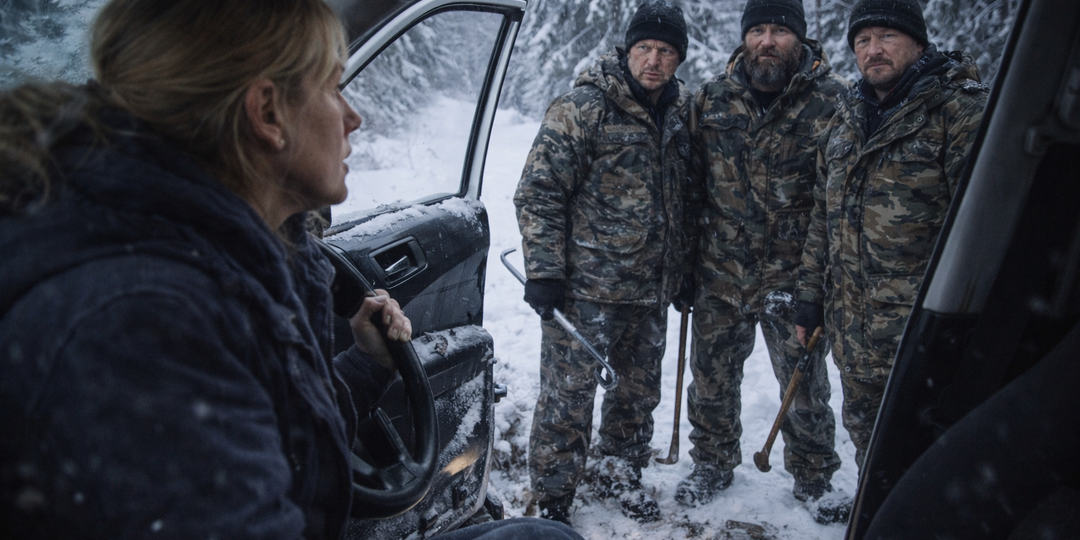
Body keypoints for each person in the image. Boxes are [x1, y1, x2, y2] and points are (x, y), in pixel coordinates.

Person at [0, 2, 583, 540]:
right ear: (268, 112)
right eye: (333, 88)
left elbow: (272, 430)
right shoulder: (141, 322)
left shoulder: (223, 258)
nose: (354, 116)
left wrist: (366, 367)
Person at [513, 0, 699, 525]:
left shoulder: (682, 114)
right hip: (586, 292)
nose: (654, 61)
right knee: (566, 402)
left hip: (649, 293)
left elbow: (682, 199)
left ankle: (620, 472)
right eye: (645, 48)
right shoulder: (584, 107)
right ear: (628, 49)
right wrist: (545, 271)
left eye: (666, 51)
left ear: (679, 58)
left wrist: (681, 272)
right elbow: (539, 191)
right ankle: (552, 499)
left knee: (637, 398)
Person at [794, 0, 988, 493]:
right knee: (872, 451)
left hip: (925, 341)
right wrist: (811, 299)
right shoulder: (846, 120)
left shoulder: (957, 114)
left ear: (918, 43)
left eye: (887, 37)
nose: (873, 50)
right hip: (855, 336)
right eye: (862, 41)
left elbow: (987, 230)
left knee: (934, 463)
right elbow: (824, 217)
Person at [675, 0, 847, 508]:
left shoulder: (833, 102)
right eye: (757, 31)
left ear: (801, 39)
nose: (767, 41)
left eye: (779, 30)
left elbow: (836, 201)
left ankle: (814, 478)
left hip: (794, 279)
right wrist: (685, 266)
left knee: (806, 386)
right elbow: (690, 188)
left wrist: (824, 284)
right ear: (745, 39)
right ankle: (711, 462)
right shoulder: (712, 99)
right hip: (718, 273)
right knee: (709, 380)